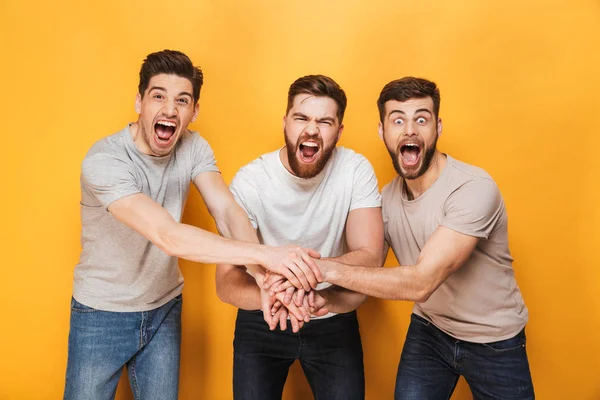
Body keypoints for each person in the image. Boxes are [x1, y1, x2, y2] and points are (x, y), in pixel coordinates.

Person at [63, 50, 322, 400]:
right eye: (158, 96)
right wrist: (268, 254)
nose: (170, 110)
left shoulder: (193, 147)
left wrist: (264, 277)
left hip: (163, 309)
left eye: (182, 100)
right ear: (139, 102)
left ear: (194, 111)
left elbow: (227, 211)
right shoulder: (105, 161)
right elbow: (167, 235)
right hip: (101, 314)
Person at [267, 77, 534, 399]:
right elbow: (364, 282)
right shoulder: (388, 199)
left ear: (438, 126)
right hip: (430, 332)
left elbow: (421, 282)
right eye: (397, 120)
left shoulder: (474, 188)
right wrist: (325, 300)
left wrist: (319, 270)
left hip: (494, 340)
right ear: (382, 131)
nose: (409, 130)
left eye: (421, 119)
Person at [217, 75, 384, 400]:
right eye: (302, 118)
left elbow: (370, 256)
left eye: (324, 121)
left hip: (331, 312)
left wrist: (300, 275)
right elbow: (225, 281)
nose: (311, 130)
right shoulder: (251, 180)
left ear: (338, 130)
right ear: (286, 123)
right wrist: (277, 293)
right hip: (262, 316)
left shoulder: (355, 170)